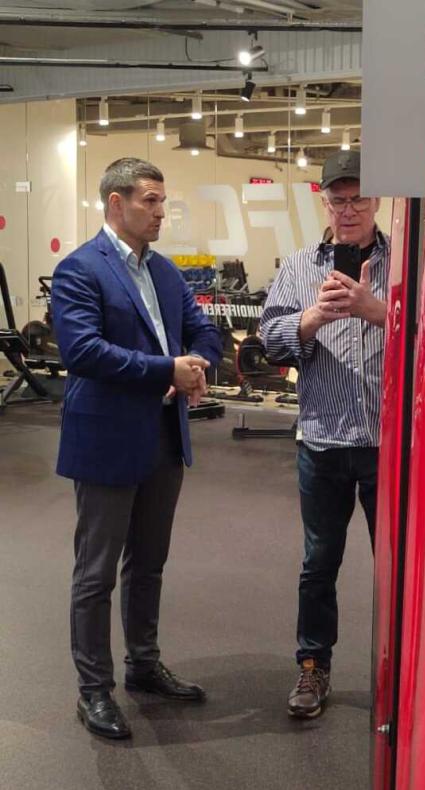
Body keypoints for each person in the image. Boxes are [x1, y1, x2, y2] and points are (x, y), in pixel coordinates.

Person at [52, 157, 222, 740]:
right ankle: (93, 691)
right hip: (106, 439)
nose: (160, 211)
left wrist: (195, 366)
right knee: (96, 572)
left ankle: (143, 665)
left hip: (164, 438)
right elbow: (83, 351)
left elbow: (204, 334)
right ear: (116, 203)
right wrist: (165, 370)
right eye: (150, 200)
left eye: (161, 200)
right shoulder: (80, 269)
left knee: (149, 563)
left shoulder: (166, 272)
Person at [259, 150, 389, 719]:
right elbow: (270, 341)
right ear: (325, 203)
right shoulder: (297, 268)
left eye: (358, 199)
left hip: (391, 446)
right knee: (319, 565)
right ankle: (313, 667)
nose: (349, 210)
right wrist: (311, 318)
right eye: (339, 200)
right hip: (322, 441)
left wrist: (375, 310)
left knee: (398, 567)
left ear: (377, 200)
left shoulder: (406, 267)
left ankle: (404, 670)